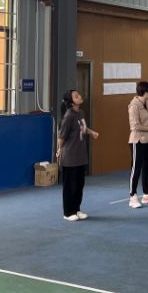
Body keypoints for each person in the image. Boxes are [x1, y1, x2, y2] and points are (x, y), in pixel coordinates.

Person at [57, 89, 98, 221]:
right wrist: (59, 150)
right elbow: (61, 137)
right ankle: (68, 212)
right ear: (71, 102)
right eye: (76, 96)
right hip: (70, 156)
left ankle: (76, 209)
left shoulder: (80, 112)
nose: (79, 96)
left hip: (80, 155)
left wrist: (92, 133)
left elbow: (82, 128)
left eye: (78, 95)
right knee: (70, 186)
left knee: (79, 185)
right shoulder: (69, 116)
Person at [128, 81, 148, 209]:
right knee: (136, 169)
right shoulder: (134, 105)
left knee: (147, 168)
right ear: (145, 92)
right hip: (137, 141)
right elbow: (134, 126)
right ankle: (133, 196)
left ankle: (147, 195)